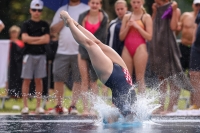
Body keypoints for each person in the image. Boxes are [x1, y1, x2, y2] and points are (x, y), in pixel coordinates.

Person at [60, 11, 136, 120]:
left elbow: (117, 117)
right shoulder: (135, 107)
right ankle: (74, 24)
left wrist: (111, 118)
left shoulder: (126, 109)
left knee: (90, 45)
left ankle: (69, 23)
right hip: (123, 70)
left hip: (111, 75)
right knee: (97, 43)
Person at [149, 0, 193, 114]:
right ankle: (161, 106)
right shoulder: (156, 9)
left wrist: (173, 10)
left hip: (169, 46)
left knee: (173, 78)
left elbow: (173, 27)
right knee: (161, 78)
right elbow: (151, 27)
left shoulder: (174, 8)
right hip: (158, 46)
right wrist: (154, 12)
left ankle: (171, 107)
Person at [50, 0, 89, 114]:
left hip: (79, 50)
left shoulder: (86, 9)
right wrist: (64, 20)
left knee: (78, 79)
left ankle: (73, 106)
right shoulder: (61, 10)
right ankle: (58, 105)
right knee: (58, 77)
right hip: (62, 50)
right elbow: (52, 30)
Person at [77, 0, 109, 115]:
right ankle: (85, 108)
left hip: (96, 51)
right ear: (89, 4)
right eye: (92, 2)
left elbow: (102, 37)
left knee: (94, 81)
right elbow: (78, 32)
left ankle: (93, 108)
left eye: (97, 3)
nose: (95, 5)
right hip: (83, 50)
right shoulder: (82, 16)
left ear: (100, 4)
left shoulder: (104, 17)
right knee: (84, 80)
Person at [21, 0, 50, 114]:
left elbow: (46, 39)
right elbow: (24, 39)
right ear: (30, 10)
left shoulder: (44, 24)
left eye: (39, 10)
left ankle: (38, 106)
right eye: (34, 10)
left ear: (41, 11)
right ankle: (25, 106)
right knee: (26, 79)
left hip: (41, 55)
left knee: (39, 80)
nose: (36, 12)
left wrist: (31, 39)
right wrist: (39, 39)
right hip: (28, 54)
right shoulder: (26, 24)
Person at [119, 0, 153, 94]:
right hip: (127, 48)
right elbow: (121, 37)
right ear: (130, 3)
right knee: (126, 77)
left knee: (139, 78)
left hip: (140, 48)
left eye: (138, 2)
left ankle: (142, 103)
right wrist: (128, 27)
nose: (136, 4)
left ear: (142, 2)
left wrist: (137, 26)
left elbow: (149, 37)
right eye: (134, 2)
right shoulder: (127, 17)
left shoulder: (146, 17)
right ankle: (127, 102)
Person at [176, 0, 200, 110]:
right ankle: (174, 104)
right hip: (184, 48)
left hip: (195, 49)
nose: (198, 6)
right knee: (178, 75)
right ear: (193, 5)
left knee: (194, 77)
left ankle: (193, 103)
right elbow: (177, 29)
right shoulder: (186, 16)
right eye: (196, 4)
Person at [8, 25, 24, 98]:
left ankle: (19, 93)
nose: (14, 34)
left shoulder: (21, 43)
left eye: (16, 33)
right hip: (9, 63)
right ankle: (10, 94)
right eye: (13, 33)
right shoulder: (8, 43)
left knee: (18, 78)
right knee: (9, 78)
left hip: (19, 64)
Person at [189, 4, 200, 110]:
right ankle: (197, 104)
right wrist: (193, 42)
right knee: (194, 74)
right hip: (196, 46)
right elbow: (196, 26)